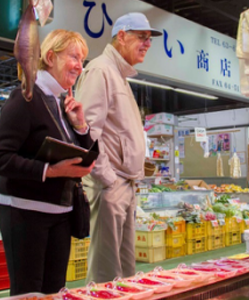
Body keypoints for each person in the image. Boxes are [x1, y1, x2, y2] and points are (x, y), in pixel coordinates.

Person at [0, 29, 93, 295]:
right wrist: (49, 171)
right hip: (26, 214)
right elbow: (2, 157)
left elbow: (81, 154)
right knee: (30, 293)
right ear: (50, 57)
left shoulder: (61, 102)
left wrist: (81, 126)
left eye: (83, 59)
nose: (79, 66)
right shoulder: (25, 98)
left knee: (55, 291)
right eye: (74, 56)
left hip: (61, 214)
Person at [75, 12, 162, 283]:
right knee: (106, 272)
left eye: (150, 39)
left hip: (126, 185)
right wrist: (108, 180)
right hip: (110, 186)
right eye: (142, 37)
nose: (147, 43)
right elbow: (86, 132)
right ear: (121, 36)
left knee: (125, 272)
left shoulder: (119, 74)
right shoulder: (101, 70)